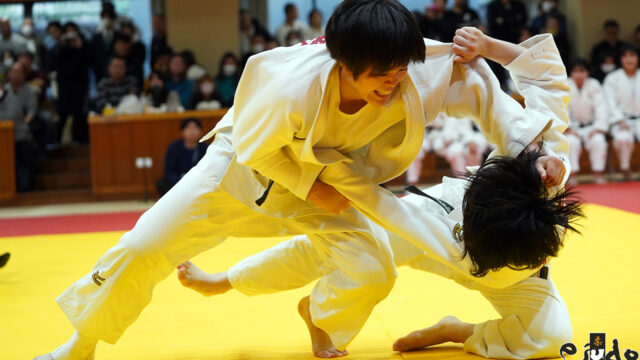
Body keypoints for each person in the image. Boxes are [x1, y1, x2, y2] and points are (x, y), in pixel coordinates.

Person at [35, 1, 569, 359]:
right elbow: (256, 149)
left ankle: (319, 316)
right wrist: (314, 190)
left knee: (373, 268)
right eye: (380, 76)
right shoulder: (288, 87)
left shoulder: (418, 66)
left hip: (338, 183)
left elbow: (486, 93)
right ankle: (80, 343)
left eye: (399, 72)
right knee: (144, 244)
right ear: (343, 63)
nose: (393, 84)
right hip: (242, 175)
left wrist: (532, 150)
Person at [177, 148, 581, 359]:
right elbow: (368, 209)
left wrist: (556, 160)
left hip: (506, 271)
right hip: (437, 231)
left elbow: (550, 133)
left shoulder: (541, 214)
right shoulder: (440, 213)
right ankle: (227, 283)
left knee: (553, 338)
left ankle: (454, 330)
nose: (548, 259)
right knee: (341, 249)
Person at [565, 59, 609, 184]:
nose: (578, 74)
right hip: (573, 128)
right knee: (570, 142)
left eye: (582, 71)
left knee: (598, 140)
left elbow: (601, 107)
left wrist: (597, 128)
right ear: (571, 73)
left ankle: (597, 174)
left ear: (587, 72)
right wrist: (568, 128)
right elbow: (562, 109)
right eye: (575, 71)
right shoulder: (566, 85)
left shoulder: (594, 84)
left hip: (592, 127)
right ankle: (573, 176)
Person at [602, 44, 640, 181]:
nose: (629, 59)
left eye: (632, 55)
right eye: (625, 56)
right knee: (623, 138)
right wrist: (619, 119)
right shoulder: (612, 78)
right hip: (621, 119)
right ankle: (625, 168)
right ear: (620, 59)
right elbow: (609, 102)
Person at [0, 62, 38, 191]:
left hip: (21, 130)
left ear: (24, 75)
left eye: (19, 72)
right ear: (9, 74)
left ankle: (25, 189)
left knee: (24, 163)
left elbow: (31, 111)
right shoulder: (3, 90)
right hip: (3, 134)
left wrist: (24, 124)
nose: (15, 75)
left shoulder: (29, 90)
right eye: (13, 71)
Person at [51, 22, 90, 144]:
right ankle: (56, 141)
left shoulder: (83, 45)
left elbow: (88, 62)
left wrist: (79, 46)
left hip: (79, 85)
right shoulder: (60, 47)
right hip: (64, 86)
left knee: (78, 114)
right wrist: (62, 44)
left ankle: (78, 140)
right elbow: (53, 62)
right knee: (62, 113)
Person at [155, 118, 209, 196]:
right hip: (179, 180)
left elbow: (208, 169)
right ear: (182, 132)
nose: (192, 131)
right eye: (188, 128)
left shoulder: (205, 147)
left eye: (195, 128)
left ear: (201, 131)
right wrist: (182, 181)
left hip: (198, 180)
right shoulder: (174, 147)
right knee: (162, 184)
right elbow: (169, 171)